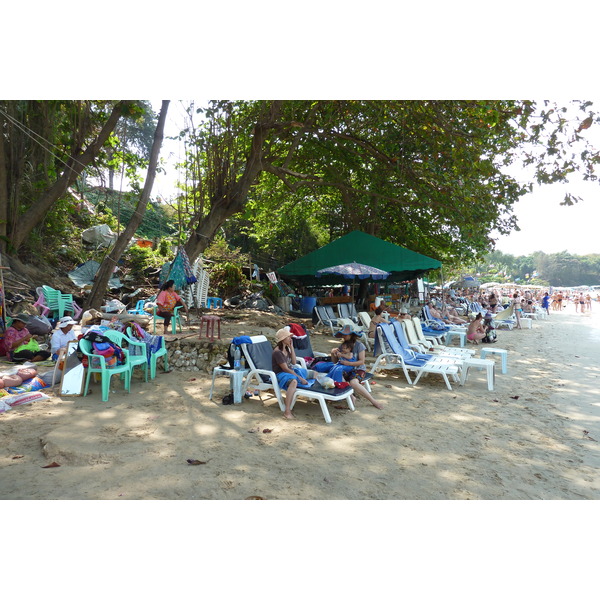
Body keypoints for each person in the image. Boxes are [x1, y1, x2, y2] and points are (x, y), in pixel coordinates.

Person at [313, 325, 383, 410]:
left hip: (358, 369)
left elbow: (361, 361)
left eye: (345, 334)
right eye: (342, 334)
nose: (343, 336)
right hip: (344, 368)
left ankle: (373, 401)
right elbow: (335, 362)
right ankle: (351, 397)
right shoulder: (342, 346)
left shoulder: (359, 345)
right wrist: (332, 354)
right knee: (338, 373)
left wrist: (347, 363)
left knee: (354, 383)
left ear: (352, 335)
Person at [272, 327, 308, 420]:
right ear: (283, 339)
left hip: (290, 371)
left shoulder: (286, 349)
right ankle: (287, 411)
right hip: (281, 374)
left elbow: (294, 362)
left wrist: (291, 347)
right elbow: (285, 369)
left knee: (312, 373)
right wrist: (300, 378)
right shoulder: (277, 352)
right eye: (288, 337)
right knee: (294, 382)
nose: (290, 339)